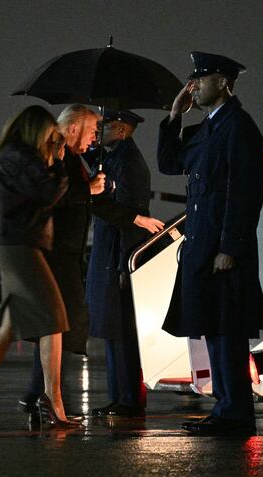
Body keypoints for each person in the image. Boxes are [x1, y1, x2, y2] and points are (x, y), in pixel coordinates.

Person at [157, 51, 263, 436]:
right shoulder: (209, 127)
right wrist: (175, 116)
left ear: (223, 82)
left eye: (201, 80)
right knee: (213, 329)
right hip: (202, 246)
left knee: (228, 332)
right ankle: (225, 409)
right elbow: (170, 163)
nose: (194, 86)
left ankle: (235, 413)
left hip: (221, 248)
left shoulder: (238, 127)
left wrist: (230, 246)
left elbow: (243, 192)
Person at [0, 104, 76, 428]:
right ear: (38, 130)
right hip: (19, 245)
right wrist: (61, 162)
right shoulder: (20, 157)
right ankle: (53, 402)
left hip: (10, 244)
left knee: (9, 328)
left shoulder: (11, 157)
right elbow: (50, 191)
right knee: (53, 318)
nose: (54, 142)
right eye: (52, 136)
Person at [17, 104, 104, 413]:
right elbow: (52, 196)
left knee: (55, 325)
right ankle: (46, 394)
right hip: (56, 254)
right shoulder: (54, 155)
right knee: (57, 324)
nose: (95, 138)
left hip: (63, 253)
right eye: (92, 130)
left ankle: (38, 392)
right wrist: (88, 188)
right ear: (73, 129)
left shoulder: (70, 156)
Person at [86, 108, 164, 418]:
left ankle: (129, 397)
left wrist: (123, 264)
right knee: (110, 329)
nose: (99, 130)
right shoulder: (113, 159)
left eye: (105, 125)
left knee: (121, 331)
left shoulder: (129, 164)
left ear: (121, 130)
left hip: (117, 252)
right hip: (107, 249)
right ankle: (120, 395)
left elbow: (131, 219)